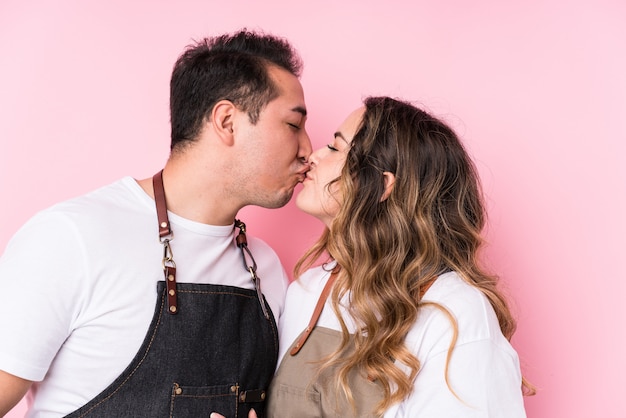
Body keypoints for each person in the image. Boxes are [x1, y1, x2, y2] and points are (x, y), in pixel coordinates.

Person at [0, 29, 311, 417]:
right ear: (227, 120)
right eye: (293, 125)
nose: (308, 150)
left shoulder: (267, 271)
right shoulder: (71, 238)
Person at [266, 96, 534, 417]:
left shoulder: (456, 315)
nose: (313, 156)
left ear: (381, 185)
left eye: (335, 148)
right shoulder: (305, 291)